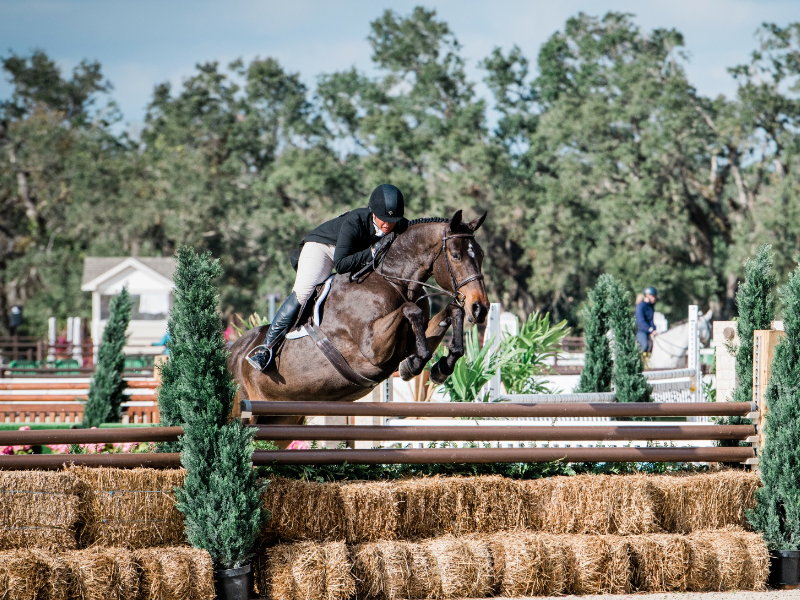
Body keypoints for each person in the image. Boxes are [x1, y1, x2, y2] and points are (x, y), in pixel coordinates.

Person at [246, 184, 410, 371]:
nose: (387, 224)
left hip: (353, 254)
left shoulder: (399, 224)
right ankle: (265, 349)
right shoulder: (355, 220)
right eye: (383, 219)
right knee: (304, 292)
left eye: (393, 220)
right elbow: (341, 264)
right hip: (324, 249)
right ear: (373, 212)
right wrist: (372, 252)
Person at [635, 286, 659, 352]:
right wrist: (650, 329)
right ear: (648, 296)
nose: (655, 299)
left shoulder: (651, 307)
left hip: (649, 330)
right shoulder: (640, 306)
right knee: (644, 346)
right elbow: (640, 321)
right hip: (641, 330)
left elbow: (651, 320)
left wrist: (654, 329)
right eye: (653, 297)